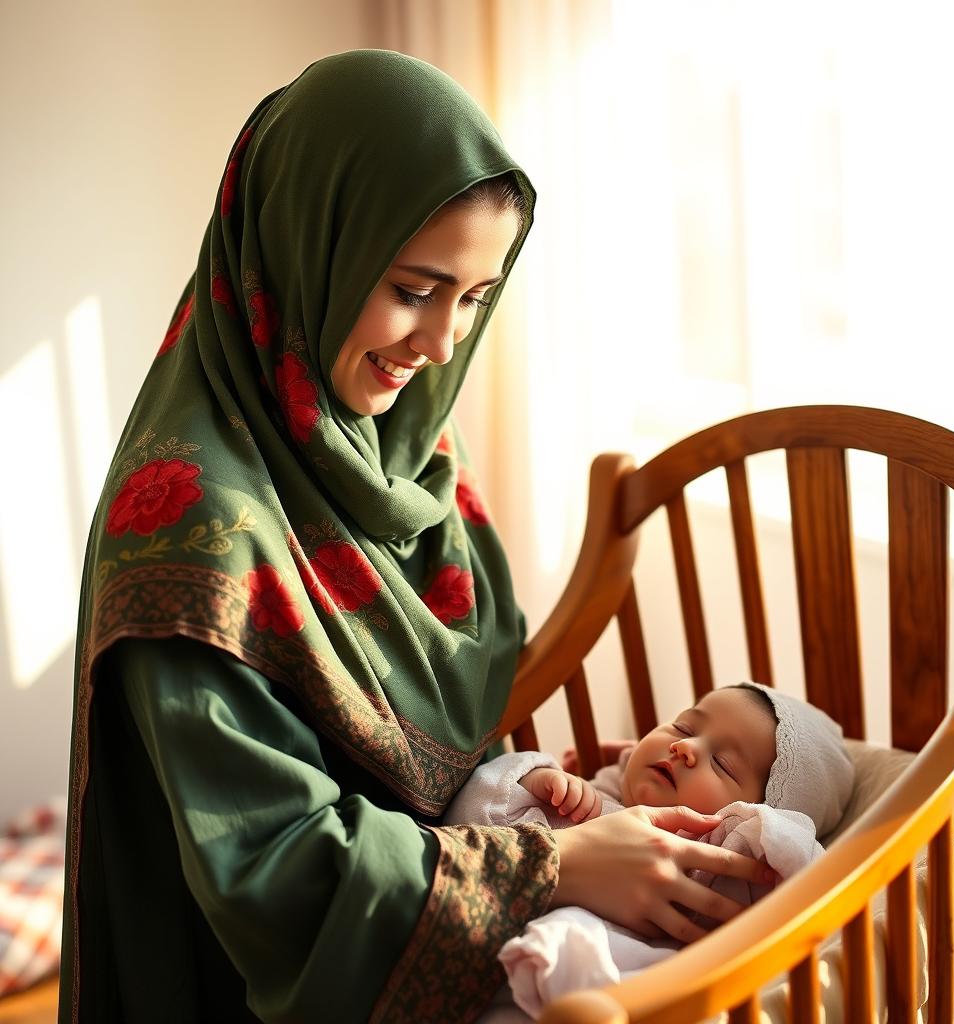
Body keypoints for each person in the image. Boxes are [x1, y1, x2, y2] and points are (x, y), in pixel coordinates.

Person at [60, 51, 771, 1024]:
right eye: (413, 288)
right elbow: (274, 871)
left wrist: (568, 802)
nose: (441, 342)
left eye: (474, 297)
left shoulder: (391, 439)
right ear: (309, 245)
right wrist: (552, 864)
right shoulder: (192, 529)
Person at [446, 684, 855, 1020]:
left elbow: (798, 871)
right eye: (682, 727)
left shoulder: (724, 857)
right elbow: (465, 826)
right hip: (472, 964)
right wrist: (531, 778)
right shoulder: (581, 798)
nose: (686, 747)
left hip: (602, 995)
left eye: (724, 764)